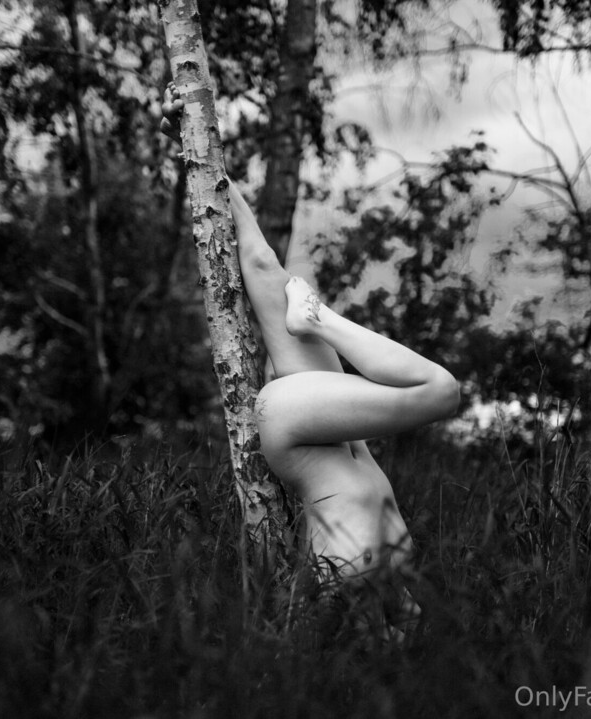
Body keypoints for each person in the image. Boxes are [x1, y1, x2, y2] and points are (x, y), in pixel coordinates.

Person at [162, 84, 460, 633]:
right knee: (440, 391)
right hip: (313, 424)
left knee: (438, 391)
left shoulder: (345, 599)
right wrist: (192, 144)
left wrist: (193, 151)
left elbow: (328, 633)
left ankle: (315, 316)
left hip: (297, 425)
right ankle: (315, 317)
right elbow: (257, 260)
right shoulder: (384, 592)